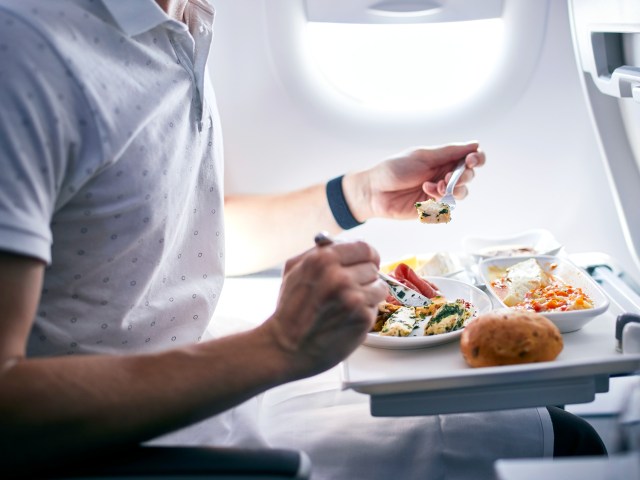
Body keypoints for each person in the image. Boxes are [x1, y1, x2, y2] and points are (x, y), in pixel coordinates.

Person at [0, 0, 605, 478]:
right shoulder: (26, 51)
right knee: (566, 444)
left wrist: (359, 195)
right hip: (139, 442)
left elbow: (168, 238)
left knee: (544, 420)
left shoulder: (181, 19)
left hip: (211, 379)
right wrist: (279, 345)